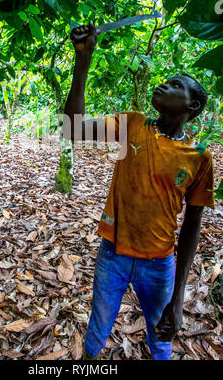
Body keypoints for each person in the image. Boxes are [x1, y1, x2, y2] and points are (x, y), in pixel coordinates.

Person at [63, 21, 215, 361]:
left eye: (176, 85)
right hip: (113, 254)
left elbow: (192, 225)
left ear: (192, 108)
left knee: (160, 338)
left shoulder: (199, 156)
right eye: (166, 80)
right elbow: (73, 127)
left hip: (160, 262)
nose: (164, 83)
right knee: (97, 332)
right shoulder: (131, 124)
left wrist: (178, 300)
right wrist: (82, 63)